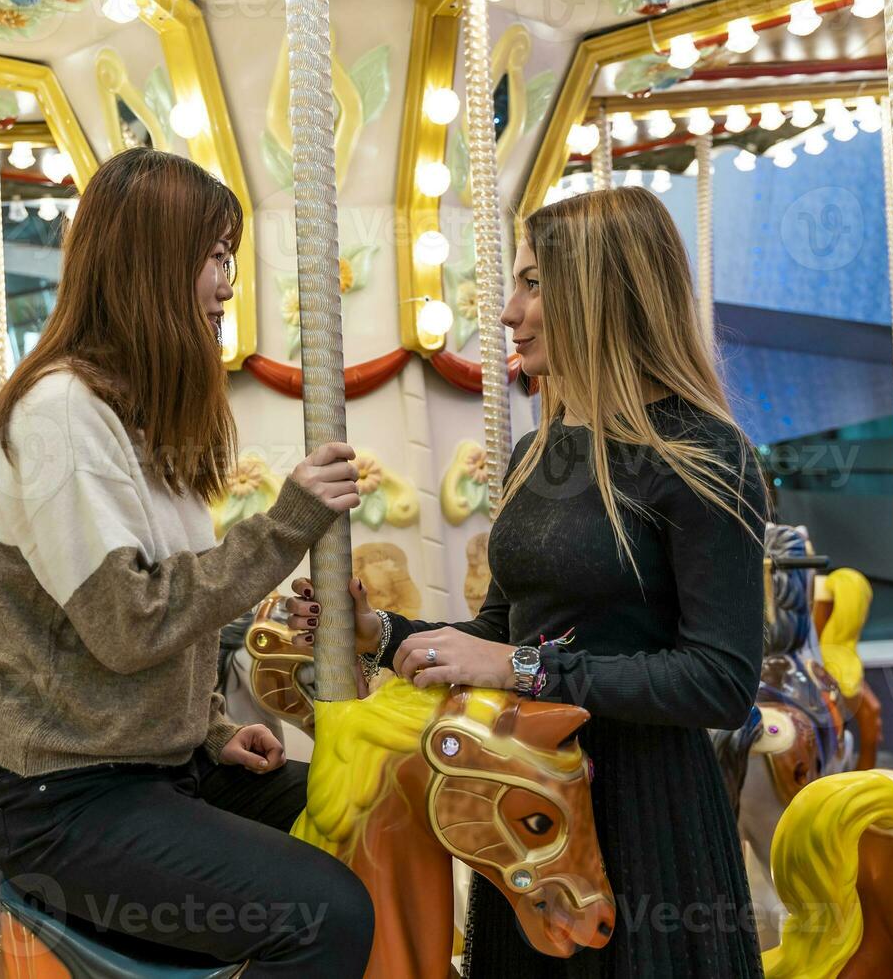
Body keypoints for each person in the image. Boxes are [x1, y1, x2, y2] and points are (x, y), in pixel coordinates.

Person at [291, 187, 768, 977]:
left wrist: (522, 669)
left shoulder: (704, 456)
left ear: (601, 293)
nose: (509, 312)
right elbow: (506, 631)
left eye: (533, 284)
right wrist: (384, 634)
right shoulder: (538, 453)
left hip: (643, 811)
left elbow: (719, 681)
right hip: (525, 801)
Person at [0, 148, 374, 977]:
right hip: (65, 800)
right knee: (326, 915)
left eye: (230, 256)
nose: (228, 282)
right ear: (151, 263)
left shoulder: (136, 420)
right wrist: (286, 526)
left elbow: (135, 634)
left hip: (157, 768)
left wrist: (211, 730)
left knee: (370, 815)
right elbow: (129, 622)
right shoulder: (62, 415)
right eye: (214, 256)